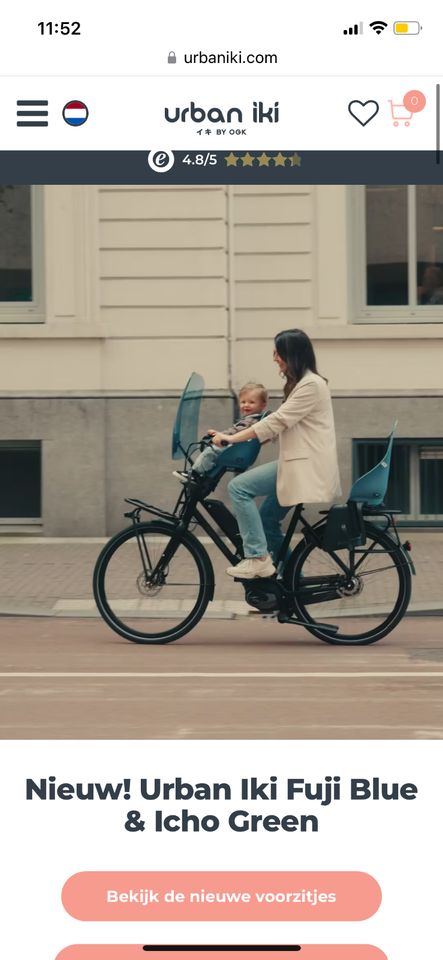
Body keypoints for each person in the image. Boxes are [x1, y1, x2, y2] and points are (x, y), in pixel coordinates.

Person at [210, 329, 342, 579]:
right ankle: (293, 581)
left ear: (292, 355)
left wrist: (231, 438)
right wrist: (239, 434)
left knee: (238, 488)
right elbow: (282, 424)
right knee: (267, 522)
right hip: (299, 463)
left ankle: (257, 558)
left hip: (304, 466)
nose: (274, 358)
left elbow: (278, 420)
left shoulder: (311, 385)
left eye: (278, 352)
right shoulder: (303, 384)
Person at [173, 382, 269, 481]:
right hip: (236, 447)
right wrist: (219, 434)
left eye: (251, 402)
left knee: (211, 450)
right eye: (243, 402)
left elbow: (237, 431)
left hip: (235, 449)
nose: (246, 405)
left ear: (263, 405)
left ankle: (195, 474)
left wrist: (221, 435)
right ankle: (202, 473)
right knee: (211, 450)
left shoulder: (251, 420)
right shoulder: (253, 419)